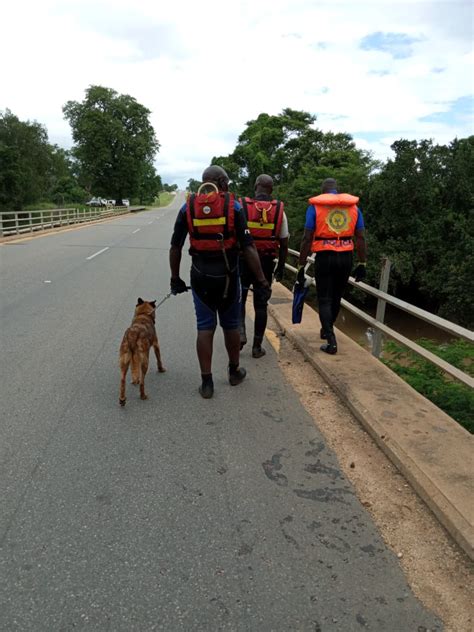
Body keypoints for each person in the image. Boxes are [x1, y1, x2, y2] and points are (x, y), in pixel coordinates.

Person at [169, 165, 271, 398]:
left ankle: (207, 384)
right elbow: (249, 247)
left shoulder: (188, 207)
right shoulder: (234, 207)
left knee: (205, 328)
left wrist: (175, 278)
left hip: (200, 277)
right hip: (228, 279)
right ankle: (234, 372)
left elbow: (175, 246)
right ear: (221, 183)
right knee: (231, 325)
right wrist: (262, 281)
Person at [296, 177, 367, 355]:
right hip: (345, 257)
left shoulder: (315, 207)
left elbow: (306, 238)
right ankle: (327, 329)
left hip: (325, 257)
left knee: (324, 299)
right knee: (336, 297)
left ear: (323, 191)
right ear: (338, 190)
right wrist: (362, 262)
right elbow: (360, 237)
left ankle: (330, 339)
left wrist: (301, 265)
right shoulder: (353, 208)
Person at [239, 174, 289, 358]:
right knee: (261, 305)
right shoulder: (279, 211)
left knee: (240, 299)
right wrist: (281, 267)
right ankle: (257, 347)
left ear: (255, 187)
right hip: (266, 263)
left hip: (244, 261)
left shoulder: (242, 207)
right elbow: (284, 244)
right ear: (271, 190)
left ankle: (241, 333)